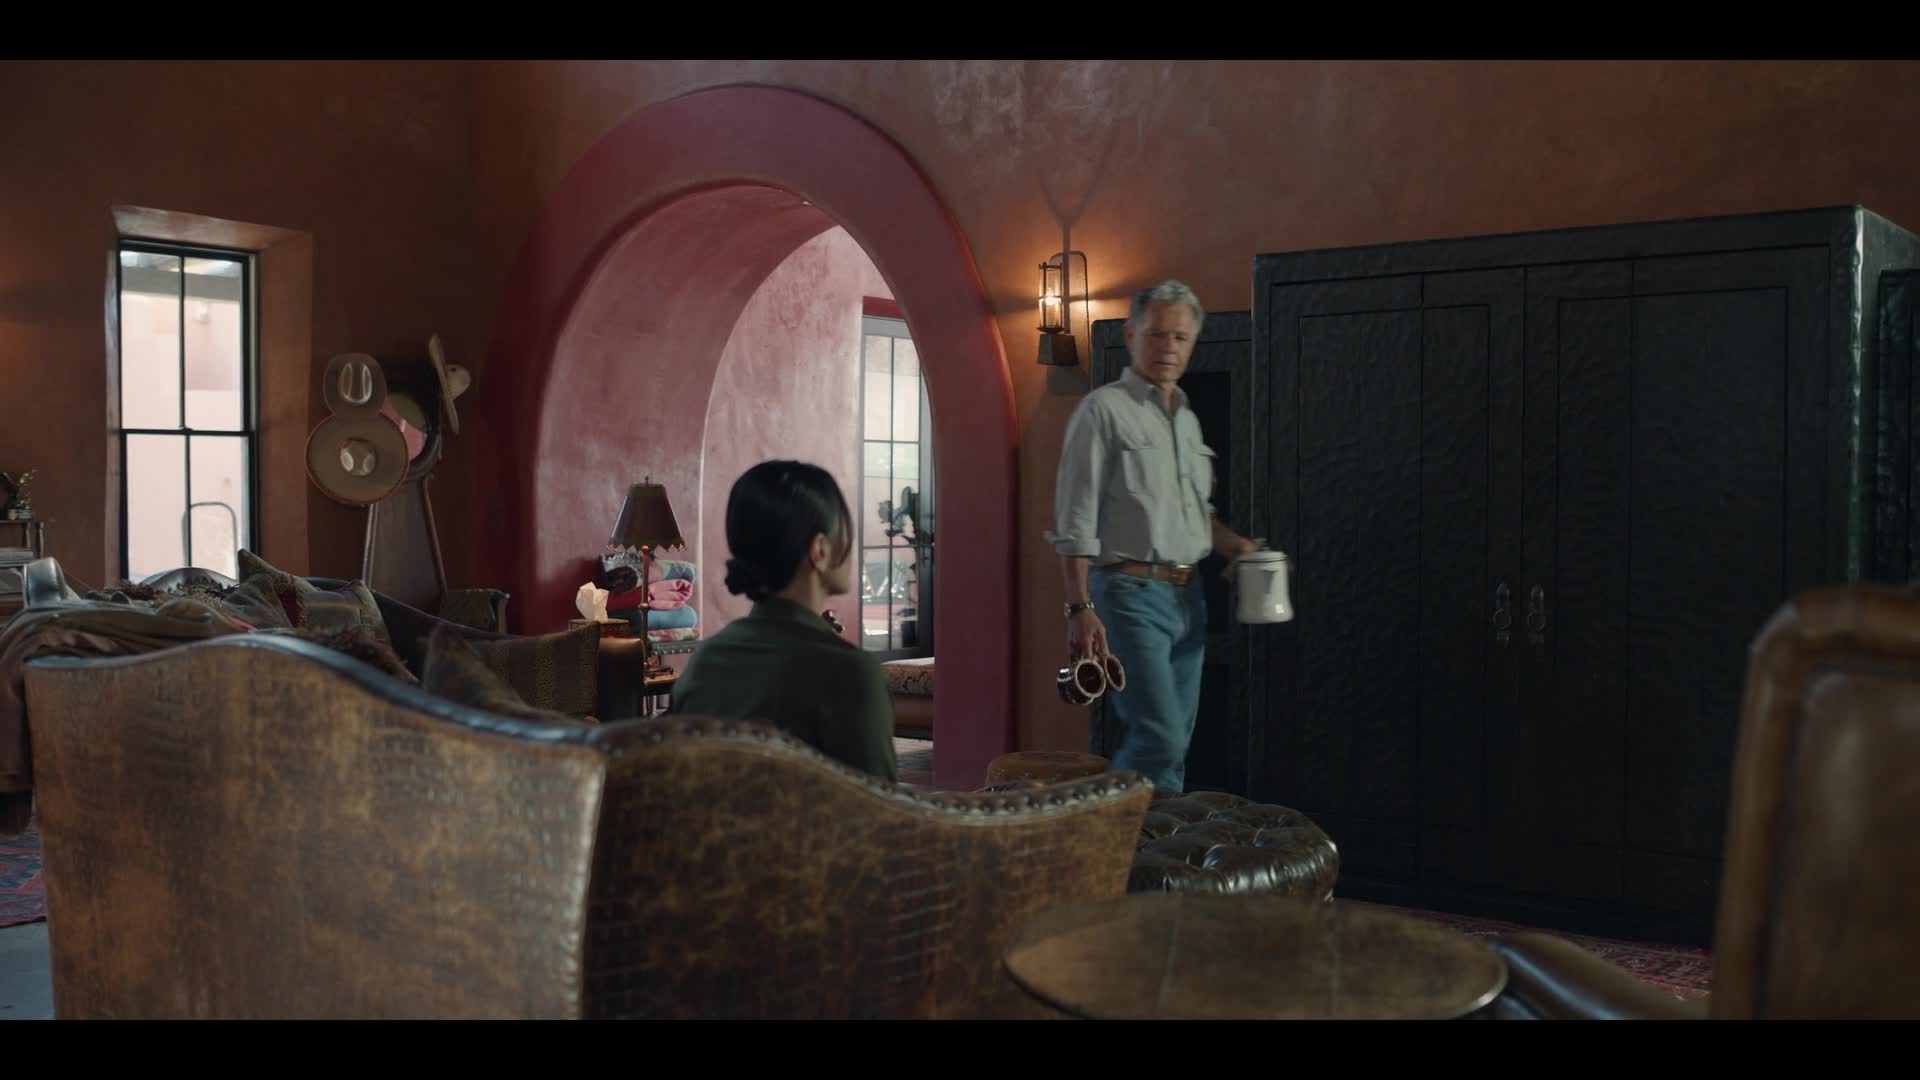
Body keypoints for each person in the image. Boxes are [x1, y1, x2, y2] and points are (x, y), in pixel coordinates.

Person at [1045, 280, 1257, 794]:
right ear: (1130, 334)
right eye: (1157, 334)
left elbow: (1196, 516)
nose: (1168, 347)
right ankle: (1101, 833)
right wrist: (1078, 608)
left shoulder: (1186, 421)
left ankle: (1154, 842)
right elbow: (1074, 519)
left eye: (1180, 338)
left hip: (1188, 597)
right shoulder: (1102, 411)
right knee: (1159, 738)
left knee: (1175, 744)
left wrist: (1235, 545)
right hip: (1128, 595)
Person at [668, 460, 898, 783]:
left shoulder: (704, 662)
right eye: (846, 532)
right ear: (820, 550)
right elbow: (878, 808)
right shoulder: (850, 674)